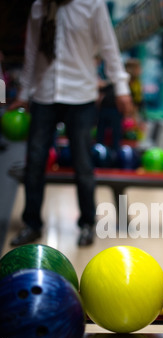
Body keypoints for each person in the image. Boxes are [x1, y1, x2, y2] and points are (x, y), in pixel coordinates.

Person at [9, 0, 133, 247]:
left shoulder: (92, 5)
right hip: (44, 94)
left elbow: (109, 47)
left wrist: (121, 88)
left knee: (83, 162)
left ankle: (87, 223)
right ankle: (32, 224)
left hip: (81, 95)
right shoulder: (39, 6)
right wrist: (23, 94)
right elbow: (32, 51)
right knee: (34, 160)